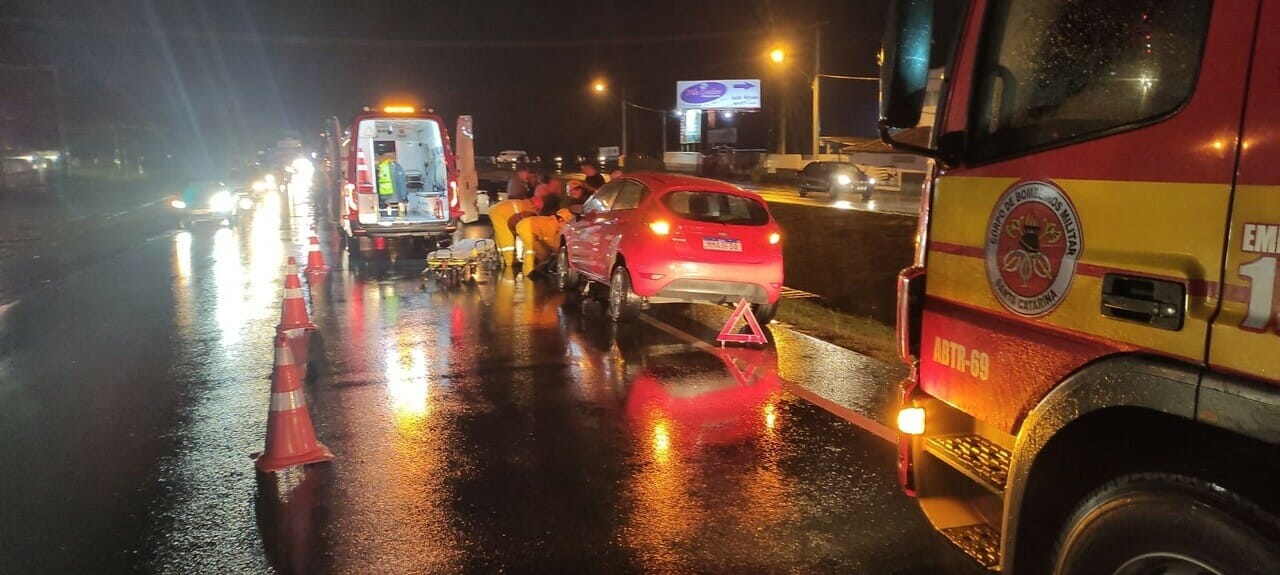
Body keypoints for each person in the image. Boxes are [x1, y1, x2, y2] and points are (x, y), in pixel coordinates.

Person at [515, 207, 573, 275]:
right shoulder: (551, 225)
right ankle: (528, 273)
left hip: (529, 229)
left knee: (543, 253)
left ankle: (538, 270)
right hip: (525, 228)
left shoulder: (552, 222)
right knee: (530, 251)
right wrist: (558, 252)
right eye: (565, 223)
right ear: (561, 220)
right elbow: (550, 241)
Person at [488, 197, 535, 267]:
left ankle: (502, 259)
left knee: (501, 235)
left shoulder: (528, 206)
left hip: (497, 210)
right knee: (506, 237)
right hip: (500, 212)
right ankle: (509, 263)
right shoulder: (532, 212)